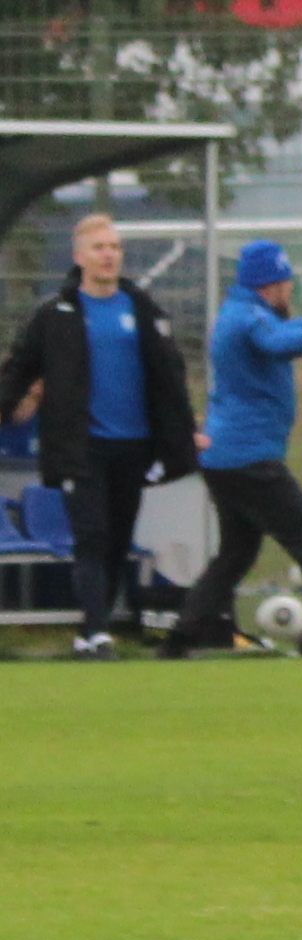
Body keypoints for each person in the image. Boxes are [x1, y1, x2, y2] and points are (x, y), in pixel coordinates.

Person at [164, 242, 302, 659]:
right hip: (248, 456)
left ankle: (181, 637)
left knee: (236, 553)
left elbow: (281, 332)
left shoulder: (245, 311)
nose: (290, 290)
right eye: (287, 283)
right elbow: (279, 343)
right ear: (272, 284)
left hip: (228, 456)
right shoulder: (249, 318)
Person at [0, 213, 199, 659]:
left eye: (114, 247)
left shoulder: (143, 309)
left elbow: (170, 378)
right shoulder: (56, 314)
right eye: (99, 247)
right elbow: (20, 368)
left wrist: (184, 433)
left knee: (116, 538)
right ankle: (97, 631)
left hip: (134, 445)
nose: (109, 255)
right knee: (90, 535)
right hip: (82, 445)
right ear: (79, 257)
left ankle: (92, 630)